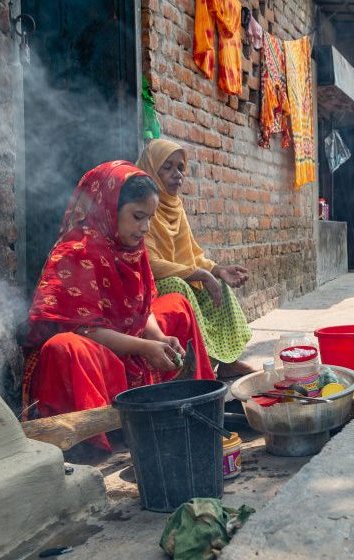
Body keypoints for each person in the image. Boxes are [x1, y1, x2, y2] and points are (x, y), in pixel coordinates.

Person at [22, 161, 216, 450]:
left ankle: (193, 403)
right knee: (65, 347)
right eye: (137, 217)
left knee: (176, 305)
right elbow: (84, 331)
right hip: (99, 354)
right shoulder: (76, 250)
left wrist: (159, 339)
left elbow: (143, 307)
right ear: (110, 209)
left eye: (149, 218)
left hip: (131, 342)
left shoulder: (132, 248)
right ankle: (97, 435)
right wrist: (145, 347)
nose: (145, 228)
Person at [136, 139, 255, 378]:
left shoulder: (175, 205)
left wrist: (217, 269)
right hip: (150, 283)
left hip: (178, 272)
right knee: (179, 286)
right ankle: (198, 365)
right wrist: (198, 273)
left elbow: (192, 252)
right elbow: (150, 263)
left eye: (180, 168)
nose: (177, 174)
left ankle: (228, 361)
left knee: (217, 280)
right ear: (151, 168)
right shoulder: (140, 206)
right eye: (167, 167)